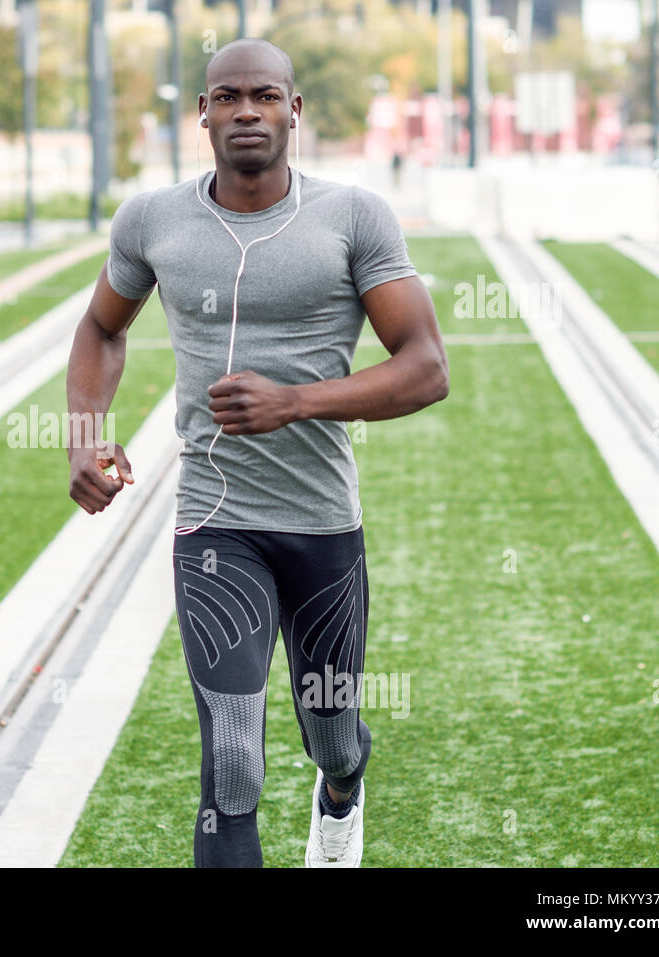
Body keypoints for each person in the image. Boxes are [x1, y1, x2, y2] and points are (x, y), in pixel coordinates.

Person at [65, 38, 449, 867]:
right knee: (232, 764)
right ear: (202, 112)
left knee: (333, 736)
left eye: (266, 96)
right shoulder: (152, 220)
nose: (247, 111)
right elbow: (101, 327)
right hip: (213, 526)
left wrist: (296, 402)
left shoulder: (352, 216)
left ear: (295, 111)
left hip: (321, 525)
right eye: (228, 96)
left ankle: (342, 792)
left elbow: (426, 368)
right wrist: (88, 438)